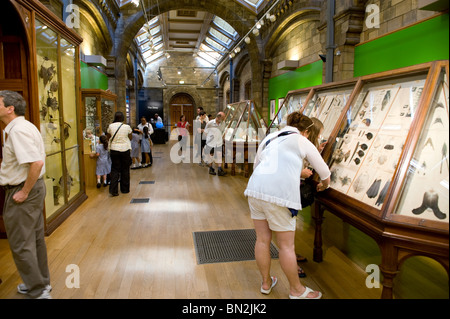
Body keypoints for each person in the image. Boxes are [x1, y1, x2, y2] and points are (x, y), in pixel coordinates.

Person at [244, 112, 331, 299]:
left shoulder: (270, 137)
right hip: (278, 196)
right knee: (286, 247)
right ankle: (297, 290)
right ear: (306, 131)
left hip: (255, 190)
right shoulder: (301, 140)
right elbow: (324, 170)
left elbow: (257, 165)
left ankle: (266, 283)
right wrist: (325, 184)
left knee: (261, 240)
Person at [0, 90, 51, 299]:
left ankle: (38, 289)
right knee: (35, 239)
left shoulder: (18, 130)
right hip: (30, 189)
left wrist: (24, 191)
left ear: (10, 108)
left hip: (24, 191)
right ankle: (40, 284)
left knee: (21, 243)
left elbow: (36, 163)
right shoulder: (23, 126)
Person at [296, 117, 328, 277]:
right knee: (286, 229)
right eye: (319, 135)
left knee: (288, 228)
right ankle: (290, 263)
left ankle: (290, 256)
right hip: (288, 191)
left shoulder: (300, 143)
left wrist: (318, 150)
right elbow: (324, 173)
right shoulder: (302, 143)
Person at [107, 111, 132, 196]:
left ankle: (113, 190)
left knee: (115, 169)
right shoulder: (127, 127)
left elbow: (108, 136)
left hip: (114, 149)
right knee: (125, 169)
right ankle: (125, 189)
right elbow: (130, 136)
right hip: (125, 149)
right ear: (123, 118)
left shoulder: (111, 126)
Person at [203, 112, 226, 176]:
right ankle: (210, 168)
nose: (224, 119)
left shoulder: (223, 123)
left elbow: (222, 131)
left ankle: (219, 169)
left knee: (219, 155)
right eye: (223, 118)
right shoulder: (210, 123)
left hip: (219, 142)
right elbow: (205, 132)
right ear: (218, 117)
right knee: (210, 155)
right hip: (211, 143)